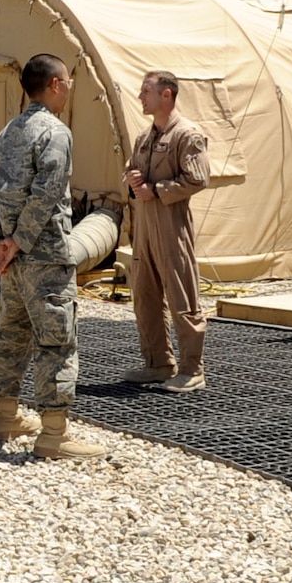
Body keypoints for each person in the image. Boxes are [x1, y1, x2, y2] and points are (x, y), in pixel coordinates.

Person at [0, 54, 104, 459]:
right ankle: (53, 434)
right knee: (56, 341)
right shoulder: (55, 132)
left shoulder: (7, 133)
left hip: (13, 262)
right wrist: (18, 240)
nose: (70, 88)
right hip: (46, 257)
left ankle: (6, 417)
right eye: (68, 81)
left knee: (12, 336)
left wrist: (2, 240)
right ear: (54, 85)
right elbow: (48, 192)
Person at [122, 71, 211, 391]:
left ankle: (192, 368)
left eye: (147, 91)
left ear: (167, 95)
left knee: (181, 293)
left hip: (171, 226)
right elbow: (132, 173)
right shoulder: (144, 138)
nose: (140, 96)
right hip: (145, 226)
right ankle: (158, 362)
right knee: (145, 295)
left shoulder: (187, 135)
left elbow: (198, 178)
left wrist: (157, 190)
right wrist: (132, 185)